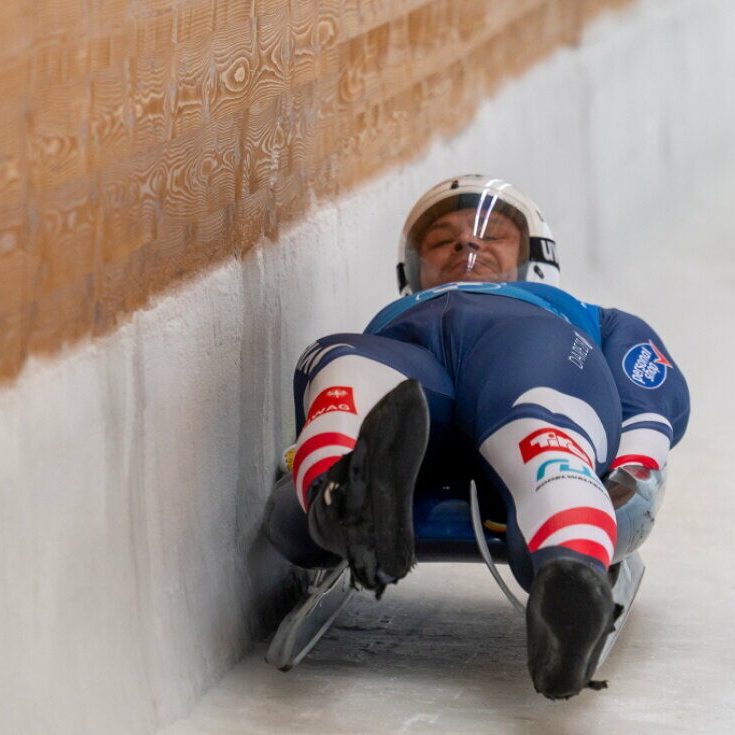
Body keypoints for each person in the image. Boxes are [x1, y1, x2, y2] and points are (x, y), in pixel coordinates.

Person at [265, 174, 690, 699]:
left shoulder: (592, 319)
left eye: (493, 236)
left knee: (537, 419)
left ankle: (568, 584)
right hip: (409, 358)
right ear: (413, 270)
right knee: (337, 361)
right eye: (442, 240)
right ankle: (346, 498)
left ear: (537, 257)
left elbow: (652, 392)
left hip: (528, 339)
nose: (467, 243)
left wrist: (632, 466)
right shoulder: (395, 319)